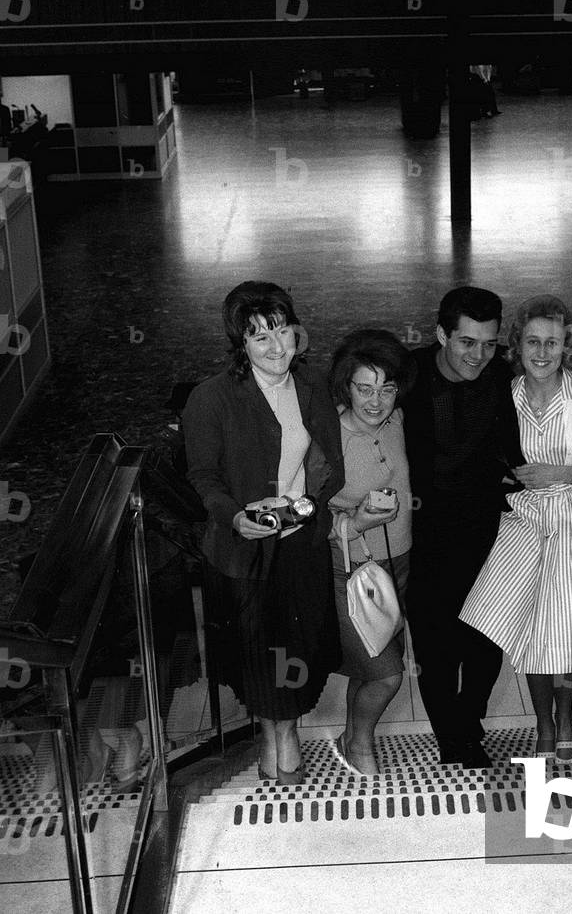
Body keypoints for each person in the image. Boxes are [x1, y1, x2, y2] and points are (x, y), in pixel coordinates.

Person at [182, 281, 344, 784]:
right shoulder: (211, 399)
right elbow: (202, 476)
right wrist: (235, 516)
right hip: (243, 551)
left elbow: (332, 464)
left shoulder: (313, 386)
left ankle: (281, 734)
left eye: (283, 331)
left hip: (301, 543)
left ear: (297, 331)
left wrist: (312, 505)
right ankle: (280, 738)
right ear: (241, 345)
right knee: (258, 651)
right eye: (260, 338)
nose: (277, 348)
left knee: (299, 646)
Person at [460, 295, 572, 762]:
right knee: (528, 631)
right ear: (517, 345)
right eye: (532, 342)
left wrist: (561, 473)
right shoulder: (503, 394)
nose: (542, 352)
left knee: (563, 630)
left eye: (552, 342)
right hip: (522, 519)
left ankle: (563, 718)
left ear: (567, 345)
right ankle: (542, 720)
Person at [402, 286, 524, 768]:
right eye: (467, 342)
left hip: (483, 526)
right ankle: (452, 740)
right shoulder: (409, 376)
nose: (478, 355)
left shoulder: (499, 375)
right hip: (424, 529)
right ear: (441, 335)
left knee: (484, 636)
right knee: (434, 643)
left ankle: (468, 722)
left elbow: (513, 447)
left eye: (489, 344)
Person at [326, 330, 416, 776]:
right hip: (350, 570)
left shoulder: (396, 421)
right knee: (387, 674)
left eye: (386, 389)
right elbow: (307, 515)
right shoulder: (327, 439)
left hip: (399, 562)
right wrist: (356, 521)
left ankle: (351, 734)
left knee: (369, 663)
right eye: (364, 389)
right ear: (347, 387)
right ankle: (359, 741)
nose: (376, 402)